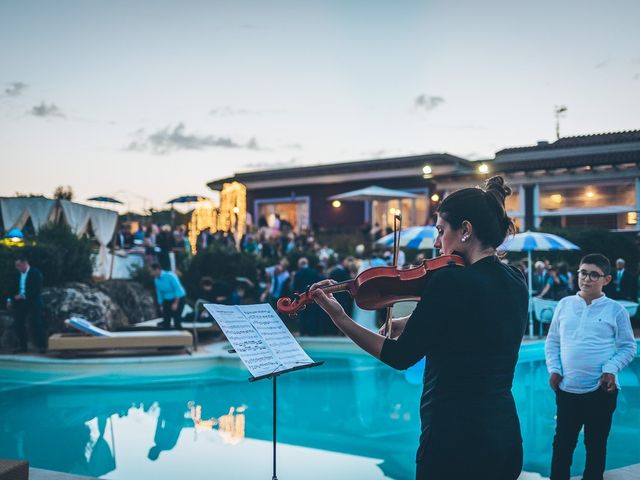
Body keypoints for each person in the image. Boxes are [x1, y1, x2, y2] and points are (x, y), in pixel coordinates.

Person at [310, 176, 528, 480]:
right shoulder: (516, 279)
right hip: (503, 436)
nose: (437, 242)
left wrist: (340, 318)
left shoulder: (449, 280)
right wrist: (410, 322)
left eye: (440, 231)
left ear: (466, 230)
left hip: (454, 441)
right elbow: (476, 321)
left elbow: (399, 357)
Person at [545, 253, 636, 480]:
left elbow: (628, 347)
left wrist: (611, 368)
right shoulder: (564, 305)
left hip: (600, 391)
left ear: (606, 279)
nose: (586, 279)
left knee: (595, 446)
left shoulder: (616, 310)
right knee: (562, 445)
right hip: (567, 389)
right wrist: (554, 369)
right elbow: (552, 341)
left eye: (594, 274)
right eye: (583, 273)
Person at [8, 253, 46, 353]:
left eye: (19, 265)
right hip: (20, 303)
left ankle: (42, 346)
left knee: (37, 323)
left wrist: (24, 296)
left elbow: (36, 289)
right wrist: (11, 299)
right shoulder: (16, 274)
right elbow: (11, 288)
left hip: (33, 301)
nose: (17, 268)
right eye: (16, 266)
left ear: (25, 263)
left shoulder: (35, 273)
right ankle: (23, 346)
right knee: (19, 323)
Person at [149, 263, 186, 329]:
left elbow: (178, 289)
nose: (151, 273)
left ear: (157, 270)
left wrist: (175, 303)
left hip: (178, 298)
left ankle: (180, 337)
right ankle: (167, 337)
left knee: (177, 320)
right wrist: (161, 305)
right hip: (167, 299)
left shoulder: (170, 276)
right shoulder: (156, 280)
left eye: (151, 271)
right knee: (166, 320)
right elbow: (159, 293)